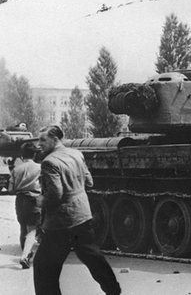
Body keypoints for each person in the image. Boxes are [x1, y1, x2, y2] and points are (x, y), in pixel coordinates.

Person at [34, 125, 121, 295]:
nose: (39, 144)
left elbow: (55, 195)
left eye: (43, 140)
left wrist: (40, 201)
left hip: (61, 222)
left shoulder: (49, 162)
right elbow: (89, 183)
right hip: (82, 216)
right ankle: (113, 290)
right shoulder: (76, 154)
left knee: (43, 265)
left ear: (55, 139)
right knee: (92, 256)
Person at [8, 143, 41, 268]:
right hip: (34, 200)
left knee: (23, 228)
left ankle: (25, 254)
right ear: (35, 154)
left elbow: (11, 190)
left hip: (20, 200)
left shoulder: (16, 170)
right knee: (32, 229)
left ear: (22, 156)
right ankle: (24, 256)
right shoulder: (40, 168)